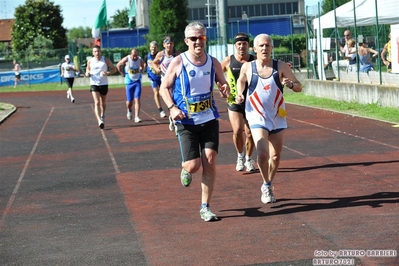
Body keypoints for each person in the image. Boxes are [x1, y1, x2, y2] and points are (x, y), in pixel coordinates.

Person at [159, 21, 229, 222]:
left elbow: (223, 85)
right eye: (194, 38)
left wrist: (225, 90)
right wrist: (172, 108)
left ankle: (205, 207)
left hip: (208, 118)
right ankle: (185, 168)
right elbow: (165, 87)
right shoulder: (179, 62)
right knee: (193, 166)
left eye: (202, 37)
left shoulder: (213, 62)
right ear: (186, 41)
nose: (198, 42)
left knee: (210, 160)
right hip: (186, 121)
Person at [235, 34, 302, 204]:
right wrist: (239, 93)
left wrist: (291, 84)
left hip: (277, 115)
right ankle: (266, 184)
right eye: (261, 46)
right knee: (263, 153)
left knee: (275, 156)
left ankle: (269, 182)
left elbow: (299, 87)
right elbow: (241, 81)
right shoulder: (248, 67)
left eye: (268, 46)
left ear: (272, 48)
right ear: (255, 49)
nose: (265, 49)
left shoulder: (280, 66)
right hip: (256, 115)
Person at [221, 32, 256, 172]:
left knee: (250, 133)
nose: (242, 46)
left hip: (252, 101)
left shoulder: (254, 60)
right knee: (237, 131)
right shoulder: (228, 60)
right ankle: (240, 156)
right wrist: (223, 86)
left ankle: (248, 158)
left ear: (248, 45)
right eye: (239, 44)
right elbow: (217, 73)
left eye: (245, 44)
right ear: (235, 45)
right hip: (234, 100)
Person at [152, 35, 180, 132]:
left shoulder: (177, 54)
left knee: (176, 100)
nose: (169, 45)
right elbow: (154, 62)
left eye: (171, 43)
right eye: (167, 43)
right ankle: (174, 119)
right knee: (170, 101)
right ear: (164, 45)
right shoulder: (161, 54)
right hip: (165, 81)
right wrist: (157, 69)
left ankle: (174, 120)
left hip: (176, 80)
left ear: (173, 44)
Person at [85, 45, 117, 129]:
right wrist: (87, 73)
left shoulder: (105, 60)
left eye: (98, 51)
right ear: (93, 53)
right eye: (95, 51)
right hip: (94, 83)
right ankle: (99, 121)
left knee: (103, 103)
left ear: (100, 52)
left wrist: (107, 73)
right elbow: (87, 69)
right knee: (97, 102)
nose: (97, 53)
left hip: (103, 83)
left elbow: (114, 69)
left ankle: (102, 115)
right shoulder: (90, 61)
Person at [116, 48, 145, 123]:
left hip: (137, 81)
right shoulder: (127, 59)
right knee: (129, 102)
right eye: (133, 55)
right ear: (130, 54)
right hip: (129, 82)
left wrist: (142, 69)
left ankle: (137, 116)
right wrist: (122, 73)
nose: (135, 57)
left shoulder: (139, 59)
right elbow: (118, 65)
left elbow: (144, 64)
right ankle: (129, 110)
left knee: (137, 99)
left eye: (136, 55)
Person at [143, 41, 166, 118]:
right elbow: (145, 64)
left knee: (163, 93)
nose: (153, 48)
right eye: (152, 47)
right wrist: (142, 68)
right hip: (152, 77)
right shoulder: (147, 56)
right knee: (156, 93)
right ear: (150, 48)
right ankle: (161, 110)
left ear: (157, 48)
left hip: (161, 77)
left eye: (155, 47)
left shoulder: (160, 55)